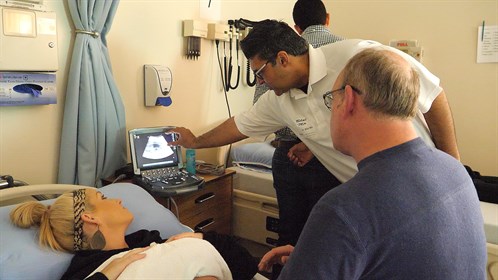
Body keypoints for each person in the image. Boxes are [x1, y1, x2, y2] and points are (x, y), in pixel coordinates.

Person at [258, 48, 487, 279]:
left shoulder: (343, 209)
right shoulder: (455, 170)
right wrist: (320, 255)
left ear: (348, 100)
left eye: (331, 100)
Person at [171, 20, 460, 184]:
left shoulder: (356, 57)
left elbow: (432, 95)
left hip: (421, 178)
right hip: (365, 192)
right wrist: (195, 141)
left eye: (260, 73)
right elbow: (240, 125)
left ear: (282, 59)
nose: (260, 82)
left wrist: (452, 165)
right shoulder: (279, 100)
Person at [251, 0, 345, 254]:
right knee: (325, 235)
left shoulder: (281, 56)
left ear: (296, 26)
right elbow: (348, 110)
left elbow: (262, 104)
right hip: (328, 155)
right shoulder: (345, 50)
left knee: (289, 232)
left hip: (289, 153)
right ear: (327, 18)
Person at [9, 188, 258, 280]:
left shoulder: (149, 240)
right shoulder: (87, 271)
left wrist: (202, 239)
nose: (117, 199)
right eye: (103, 197)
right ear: (90, 217)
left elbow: (247, 266)